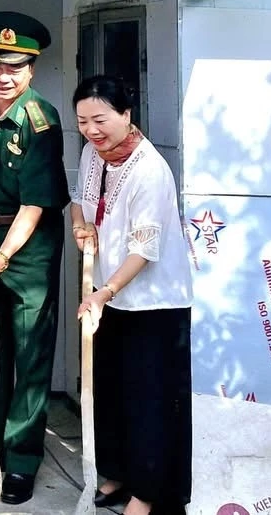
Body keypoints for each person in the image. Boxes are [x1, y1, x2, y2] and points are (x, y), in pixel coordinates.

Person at [0, 11, 69, 506]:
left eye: (15, 69)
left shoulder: (41, 122)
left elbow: (36, 204)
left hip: (29, 246)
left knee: (29, 353)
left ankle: (21, 460)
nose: (4, 77)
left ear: (32, 71)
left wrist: (1, 258)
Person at [72, 75, 192, 515]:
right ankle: (117, 474)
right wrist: (79, 226)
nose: (91, 129)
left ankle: (148, 494)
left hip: (154, 303)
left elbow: (144, 249)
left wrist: (104, 292)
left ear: (126, 115)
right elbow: (80, 203)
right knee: (111, 391)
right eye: (83, 120)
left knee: (149, 402)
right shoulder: (93, 154)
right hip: (109, 296)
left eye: (100, 119)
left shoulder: (149, 170)